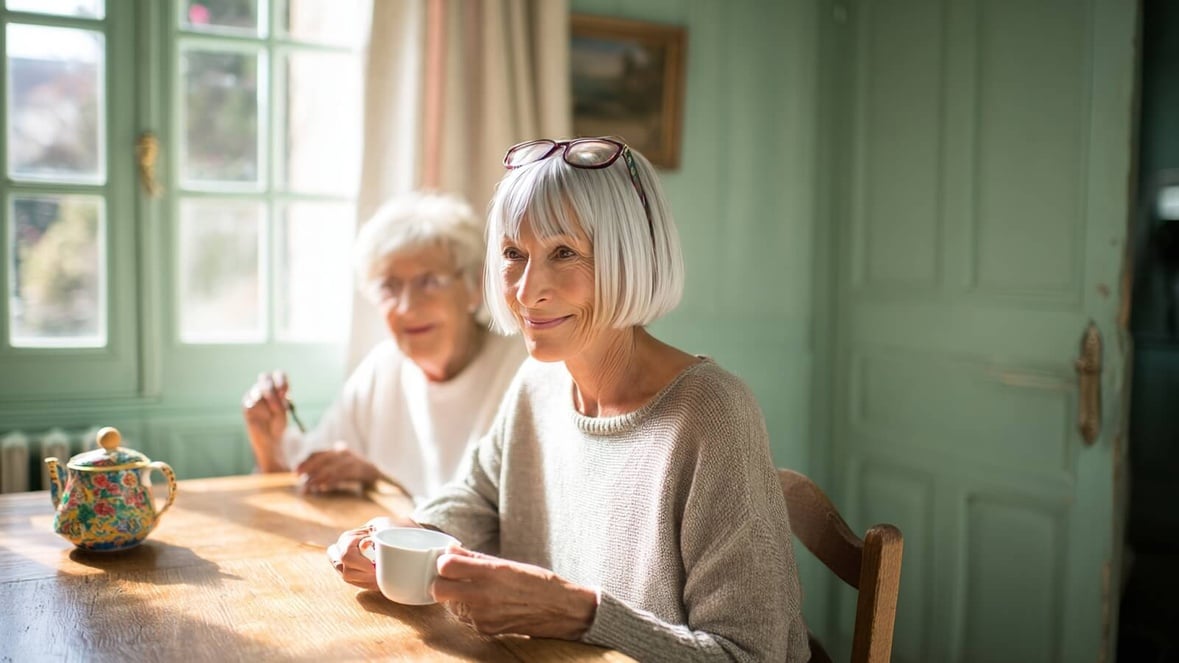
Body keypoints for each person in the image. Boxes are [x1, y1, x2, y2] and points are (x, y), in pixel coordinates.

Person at [329, 138, 810, 661]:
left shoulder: (712, 414)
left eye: (564, 253)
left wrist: (579, 614)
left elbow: (750, 654)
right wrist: (404, 538)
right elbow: (477, 498)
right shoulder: (539, 384)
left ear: (631, 258)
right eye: (515, 254)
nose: (527, 290)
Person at [240, 192, 528, 499]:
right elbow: (312, 473)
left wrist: (382, 485)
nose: (406, 307)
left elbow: (498, 523)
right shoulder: (384, 367)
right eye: (390, 286)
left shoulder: (520, 371)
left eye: (428, 282)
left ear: (475, 288)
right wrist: (269, 443)